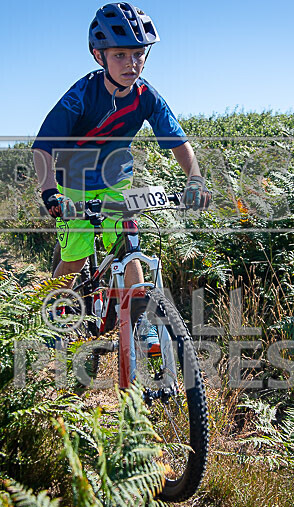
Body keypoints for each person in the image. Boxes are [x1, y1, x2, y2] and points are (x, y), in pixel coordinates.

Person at [32, 2, 212, 295]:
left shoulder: (146, 96)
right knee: (75, 259)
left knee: (129, 243)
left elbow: (178, 141)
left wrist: (195, 179)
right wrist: (51, 192)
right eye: (120, 55)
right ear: (98, 55)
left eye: (138, 53)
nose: (131, 63)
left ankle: (143, 320)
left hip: (117, 178)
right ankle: (53, 310)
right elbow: (42, 147)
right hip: (75, 180)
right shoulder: (81, 95)